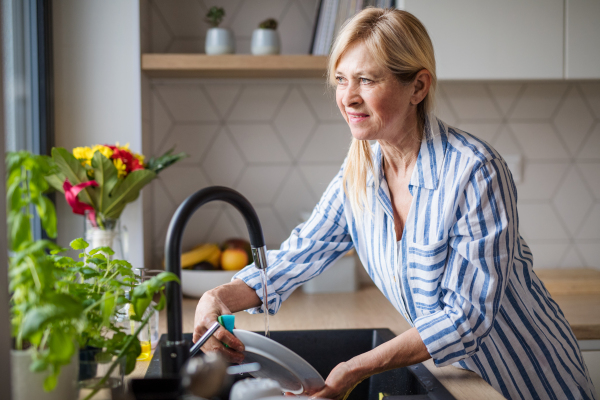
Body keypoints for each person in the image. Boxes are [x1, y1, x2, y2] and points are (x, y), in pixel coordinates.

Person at [193, 8, 596, 400]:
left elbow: (465, 317)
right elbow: (298, 255)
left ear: (418, 87)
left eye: (366, 79)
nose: (348, 97)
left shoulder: (474, 171)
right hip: (458, 376)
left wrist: (355, 367)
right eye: (341, 80)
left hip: (533, 380)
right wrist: (217, 299)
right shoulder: (360, 170)